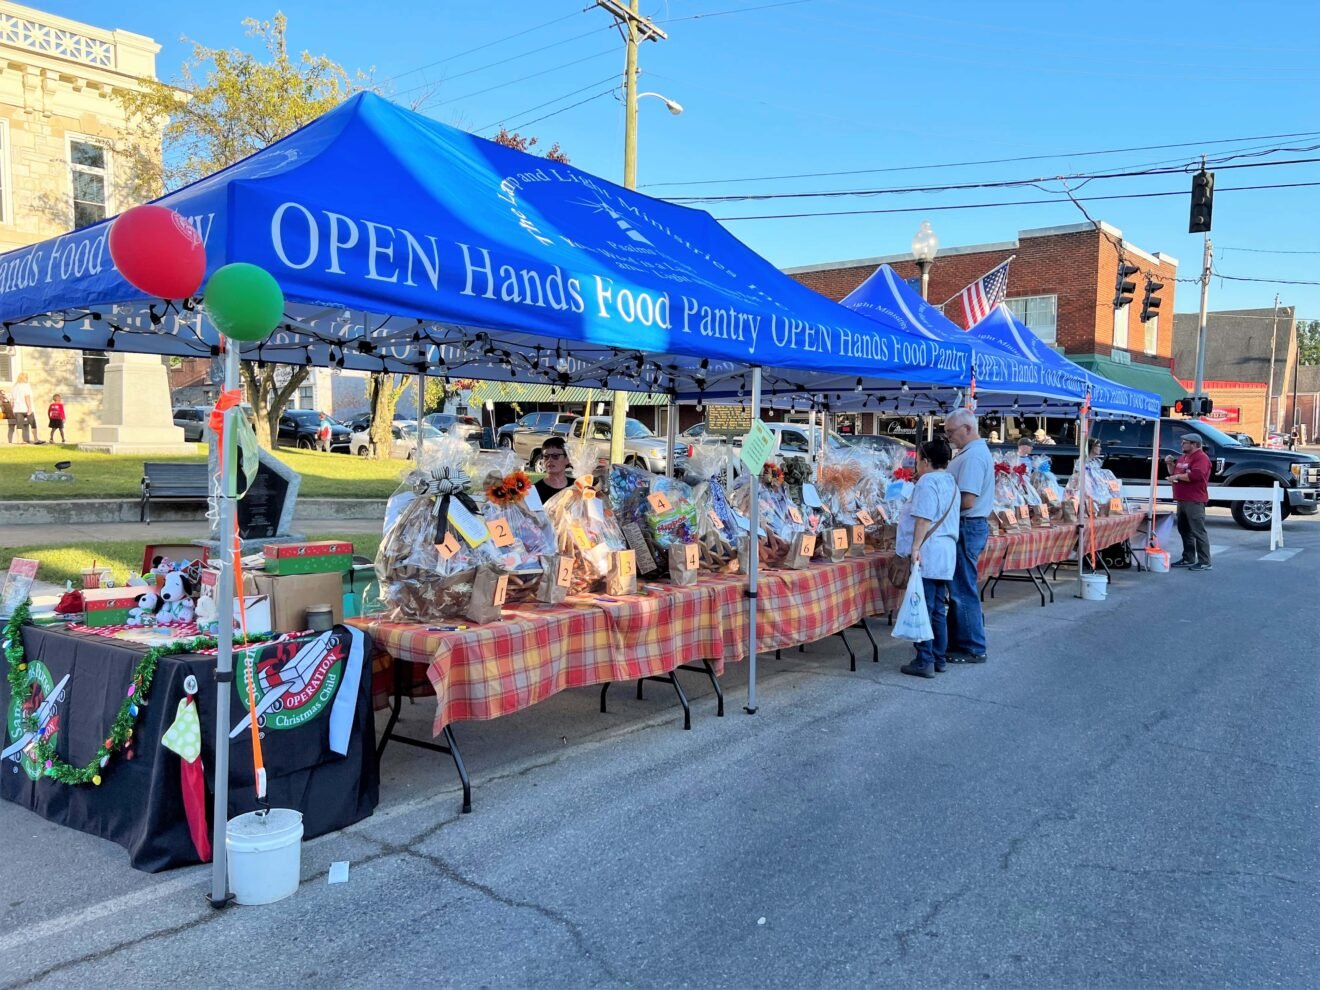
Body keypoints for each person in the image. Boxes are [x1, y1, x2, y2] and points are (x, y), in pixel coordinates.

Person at [895, 438, 961, 678]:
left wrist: (915, 547)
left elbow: (923, 518)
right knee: (937, 609)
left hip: (929, 550)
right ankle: (938, 657)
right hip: (946, 551)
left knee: (923, 607)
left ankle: (925, 660)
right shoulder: (951, 481)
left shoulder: (927, 482)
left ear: (925, 460)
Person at [942, 408, 994, 664]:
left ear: (968, 428)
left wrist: (939, 507)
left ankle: (972, 646)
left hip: (967, 525)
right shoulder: (971, 453)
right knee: (960, 588)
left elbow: (968, 500)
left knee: (962, 590)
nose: (949, 437)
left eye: (951, 432)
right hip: (969, 526)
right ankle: (959, 641)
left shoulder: (973, 457)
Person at [1165, 433, 1212, 570]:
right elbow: (1174, 472)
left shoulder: (1201, 458)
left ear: (1194, 444)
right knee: (1184, 530)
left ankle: (1205, 561)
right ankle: (1188, 558)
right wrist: (1170, 464)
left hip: (1194, 500)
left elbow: (1196, 476)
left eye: (1185, 442)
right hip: (1182, 499)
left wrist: (1177, 476)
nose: (1181, 445)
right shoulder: (1183, 457)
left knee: (1198, 531)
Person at [534, 436, 572, 503]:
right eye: (546, 456)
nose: (550, 460)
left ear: (567, 459)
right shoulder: (535, 491)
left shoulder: (576, 487)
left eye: (555, 456)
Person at [10, 372, 34, 444]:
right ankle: (36, 439)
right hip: (25, 408)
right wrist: (29, 408)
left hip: (17, 409)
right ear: (25, 378)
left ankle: (19, 440)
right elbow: (27, 397)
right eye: (27, 377)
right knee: (33, 423)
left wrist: (12, 410)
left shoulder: (14, 387)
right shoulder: (26, 386)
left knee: (19, 425)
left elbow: (11, 400)